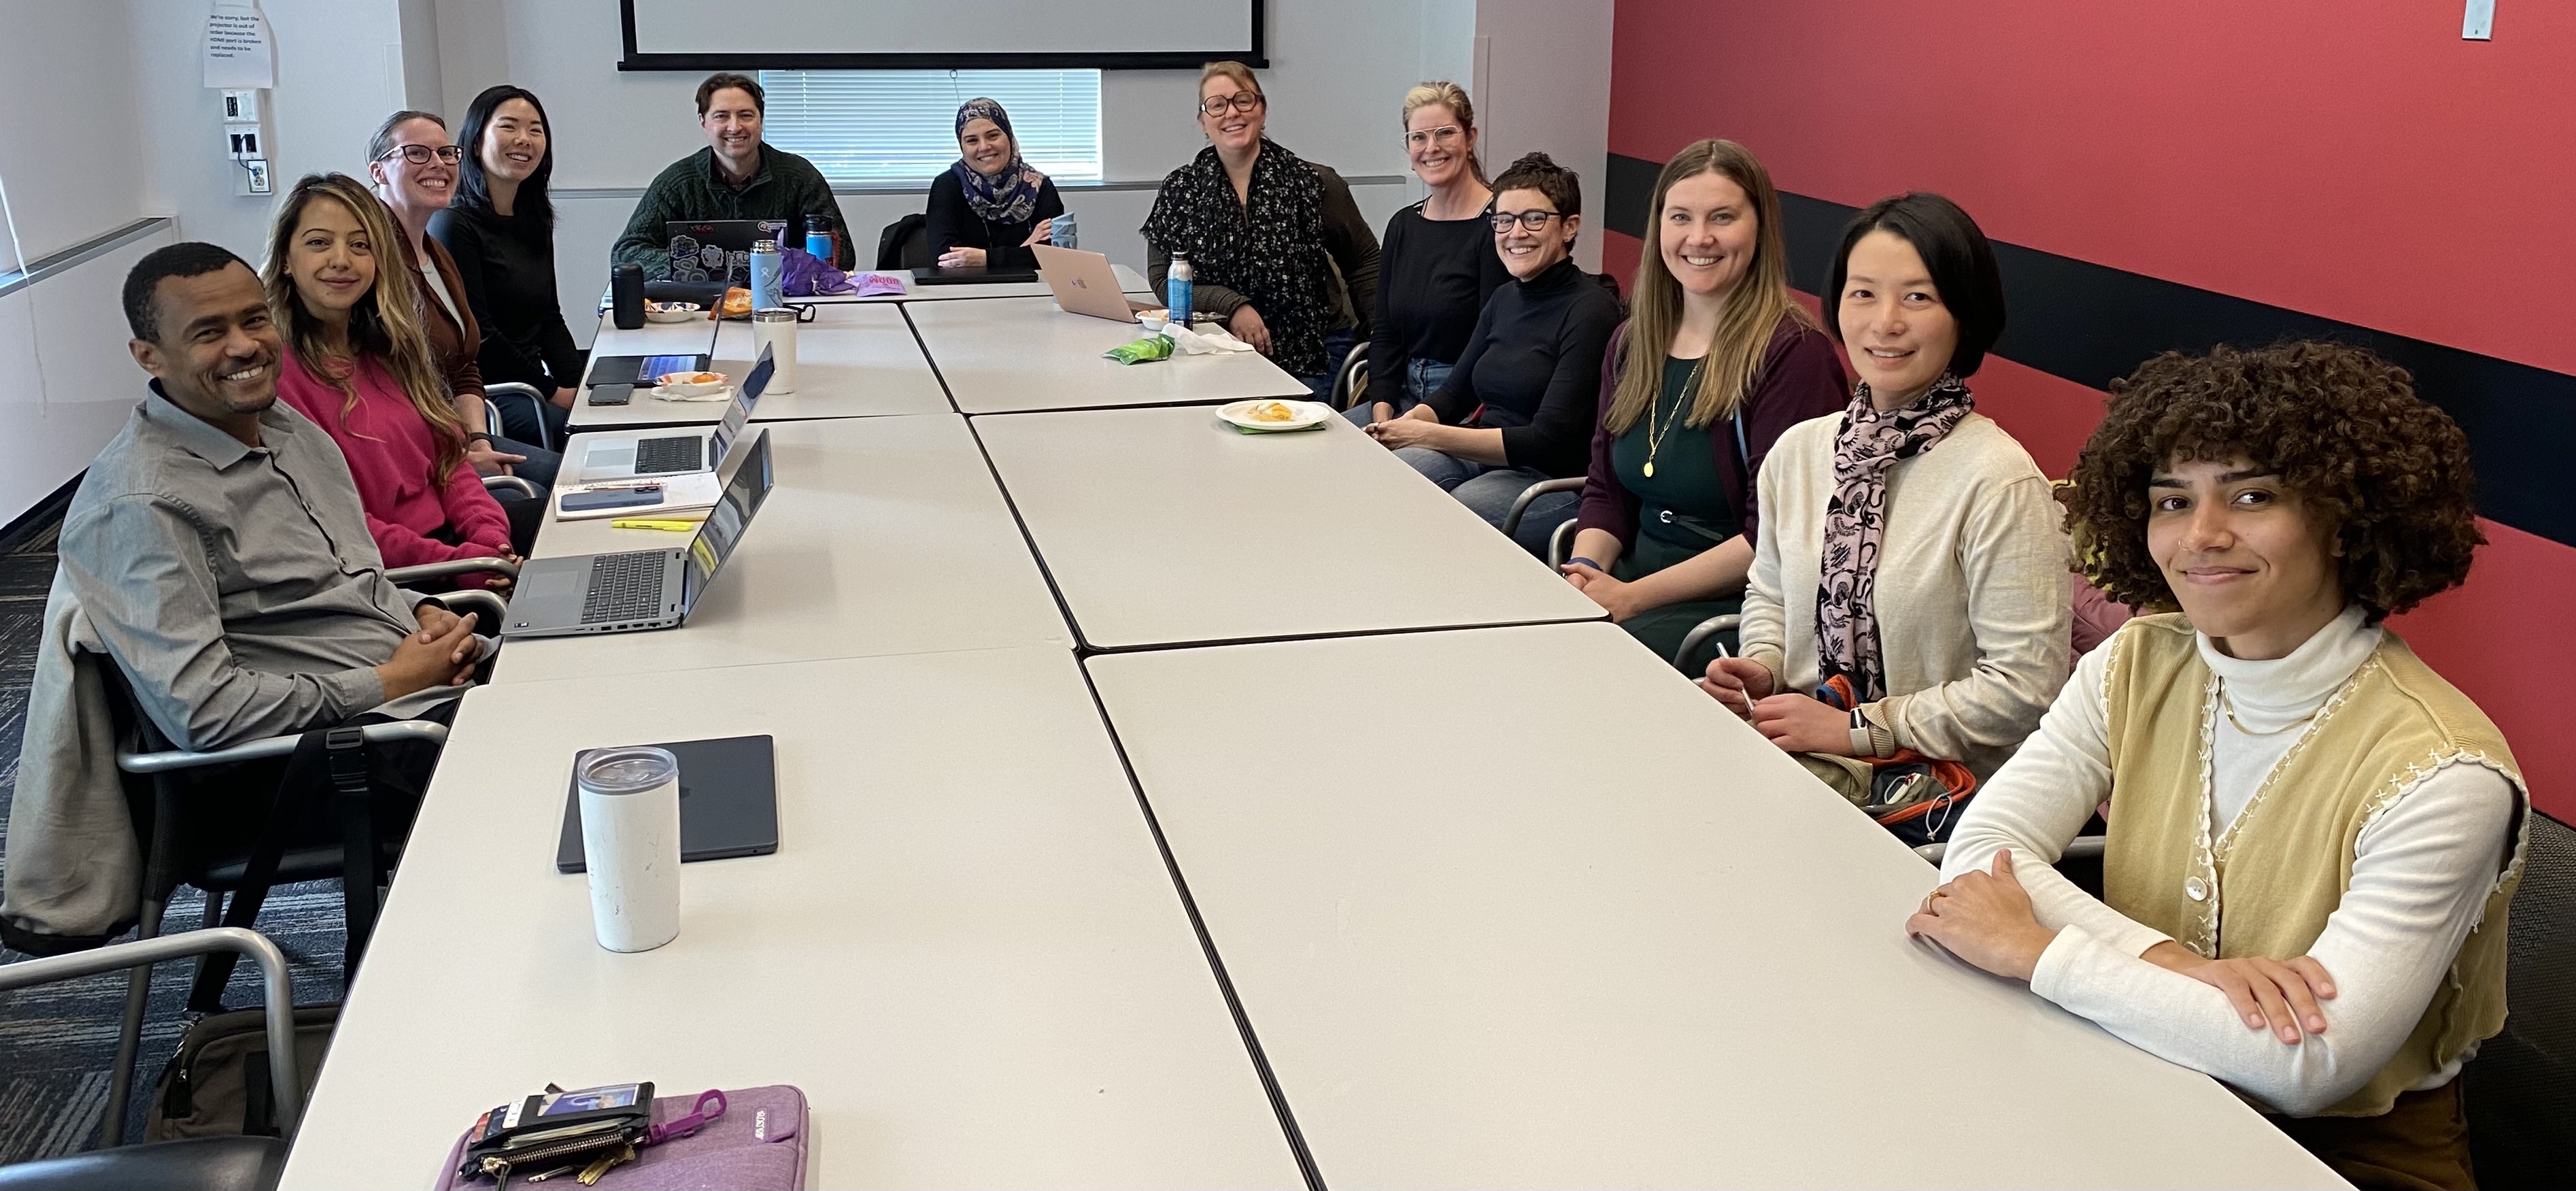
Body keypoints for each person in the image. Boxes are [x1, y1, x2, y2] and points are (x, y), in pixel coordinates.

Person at [1910, 341, 2521, 1190]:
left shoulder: (2445, 771)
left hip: (2343, 1153)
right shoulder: (2135, 658)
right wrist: (2180, 971)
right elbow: (1985, 852)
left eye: (2251, 495)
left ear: (2344, 516)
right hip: (2132, 1075)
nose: (2200, 534)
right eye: (2172, 499)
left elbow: (2308, 1064)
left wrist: (2037, 951)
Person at [0, 243, 485, 950]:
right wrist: (389, 679)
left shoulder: (286, 431)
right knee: (546, 759)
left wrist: (419, 613)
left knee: (593, 682)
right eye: (208, 332)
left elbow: (348, 578)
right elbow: (205, 712)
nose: (244, 346)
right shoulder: (143, 504)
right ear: (149, 356)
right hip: (291, 769)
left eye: (254, 320)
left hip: (394, 706)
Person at [1701, 192, 2069, 833]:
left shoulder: (1999, 479)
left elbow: (2021, 690)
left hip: (1937, 805)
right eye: (1863, 293)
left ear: (1965, 315)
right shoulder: (1801, 452)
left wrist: (1859, 728)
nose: (1885, 322)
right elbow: (1771, 592)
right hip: (1805, 761)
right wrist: (1761, 667)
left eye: (1918, 297)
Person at [1563, 139, 1846, 671]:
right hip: (1629, 584)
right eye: (1681, 217)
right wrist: (1583, 571)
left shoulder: (1793, 355)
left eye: (1723, 217)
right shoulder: (1631, 342)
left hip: (1727, 614)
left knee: (1585, 667)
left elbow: (1776, 537)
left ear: (1759, 229)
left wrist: (1630, 598)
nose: (1700, 237)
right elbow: (1606, 490)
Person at [264, 173, 535, 580]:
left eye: (360, 245)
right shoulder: (278, 379)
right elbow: (341, 526)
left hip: (458, 550)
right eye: (319, 243)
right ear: (285, 258)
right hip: (396, 576)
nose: (342, 260)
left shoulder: (388, 348)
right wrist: (464, 563)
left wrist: (490, 539)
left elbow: (450, 464)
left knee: (582, 526)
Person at [1362, 152, 1619, 554]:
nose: (1515, 233)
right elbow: (1454, 395)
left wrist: (1426, 434)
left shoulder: (1591, 310)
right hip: (1485, 455)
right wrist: (1399, 429)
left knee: (1455, 513)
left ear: (1570, 228)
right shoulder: (1504, 299)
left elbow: (1548, 441)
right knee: (1385, 473)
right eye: (1503, 220)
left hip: (1549, 478)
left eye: (1534, 218)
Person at [1142, 61, 1380, 395]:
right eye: (1217, 105)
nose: (1231, 113)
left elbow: (1365, 263)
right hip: (1213, 350)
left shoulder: (1314, 183)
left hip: (1314, 353)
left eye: (1243, 100)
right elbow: (1164, 280)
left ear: (1262, 111)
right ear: (1203, 123)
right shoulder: (1180, 189)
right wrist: (1234, 305)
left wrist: (1384, 348)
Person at [367, 108, 560, 492]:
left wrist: (477, 440)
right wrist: (461, 455)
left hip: (461, 437)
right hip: (419, 455)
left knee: (576, 479)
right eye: (417, 153)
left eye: (445, 153)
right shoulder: (370, 260)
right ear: (379, 172)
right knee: (562, 489)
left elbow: (464, 366)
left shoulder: (437, 256)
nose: (437, 164)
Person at [431, 84, 579, 446]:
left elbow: (549, 316)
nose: (524, 139)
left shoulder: (536, 220)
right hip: (488, 392)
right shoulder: (453, 223)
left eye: (535, 129)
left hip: (528, 383)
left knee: (611, 417)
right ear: (476, 142)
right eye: (509, 127)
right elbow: (479, 333)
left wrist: (579, 385)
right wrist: (552, 391)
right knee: (581, 438)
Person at [609, 72, 856, 278]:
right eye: (722, 116)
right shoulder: (676, 184)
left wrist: (776, 264)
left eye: (746, 115)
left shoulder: (800, 177)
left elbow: (842, 252)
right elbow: (626, 253)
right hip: (700, 311)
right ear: (703, 122)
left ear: (761, 121)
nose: (735, 127)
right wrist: (694, 262)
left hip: (786, 303)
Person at [1357, 80, 1506, 422]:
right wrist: (1382, 410)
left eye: (1445, 134)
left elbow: (1489, 345)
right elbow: (1385, 331)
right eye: (1419, 137)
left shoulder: (1498, 226)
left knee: (1385, 471)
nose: (1432, 148)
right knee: (1318, 451)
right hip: (1401, 396)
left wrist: (1420, 420)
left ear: (1471, 138)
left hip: (1464, 405)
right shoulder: (1403, 226)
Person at [926, 97, 1064, 272]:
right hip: (966, 293)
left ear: (1009, 135)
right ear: (962, 146)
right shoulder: (947, 186)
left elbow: (1056, 256)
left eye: (993, 135)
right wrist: (1025, 250)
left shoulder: (1039, 187)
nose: (984, 147)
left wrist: (985, 259)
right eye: (972, 140)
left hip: (1032, 291)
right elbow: (945, 259)